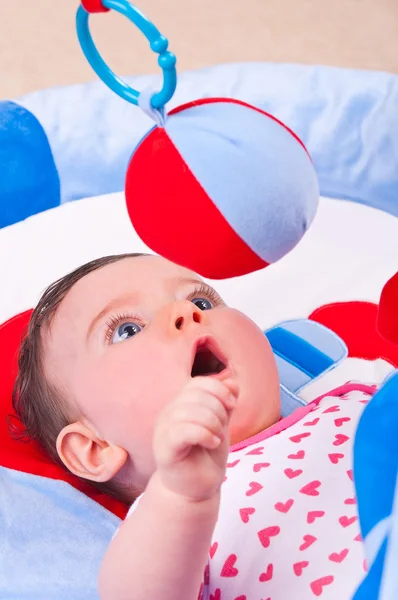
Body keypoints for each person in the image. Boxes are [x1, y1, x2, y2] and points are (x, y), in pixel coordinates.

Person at [13, 253, 372, 600]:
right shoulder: (167, 524)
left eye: (201, 301)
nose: (185, 311)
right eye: (127, 330)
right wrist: (181, 494)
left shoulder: (350, 403)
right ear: (94, 448)